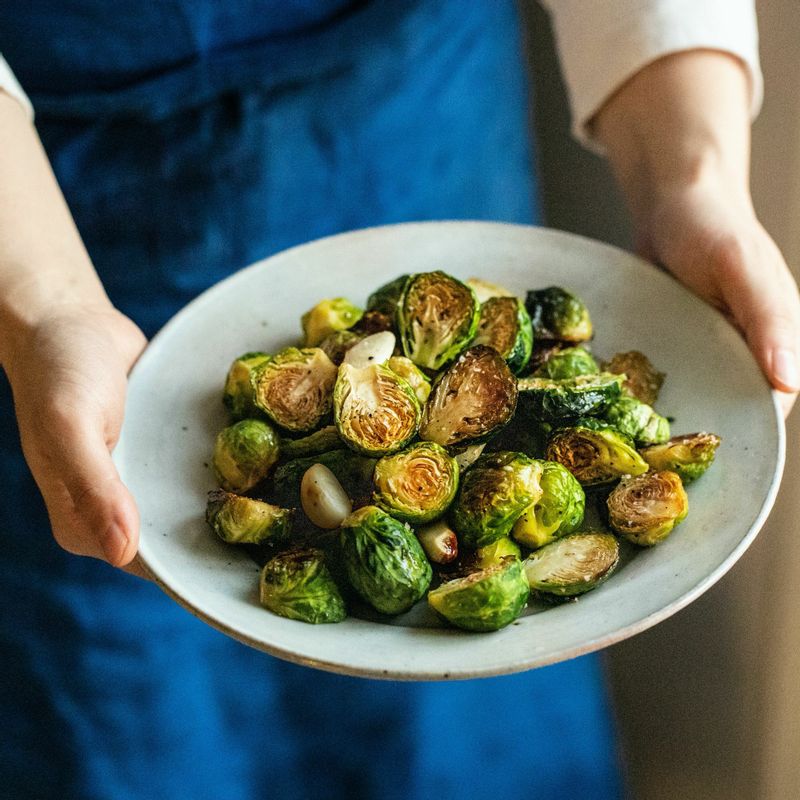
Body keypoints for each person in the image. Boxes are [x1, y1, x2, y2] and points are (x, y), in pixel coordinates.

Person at [0, 2, 797, 798]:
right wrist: (42, 304)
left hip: (412, 105)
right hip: (62, 198)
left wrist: (694, 176)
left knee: (476, 733)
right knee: (148, 722)